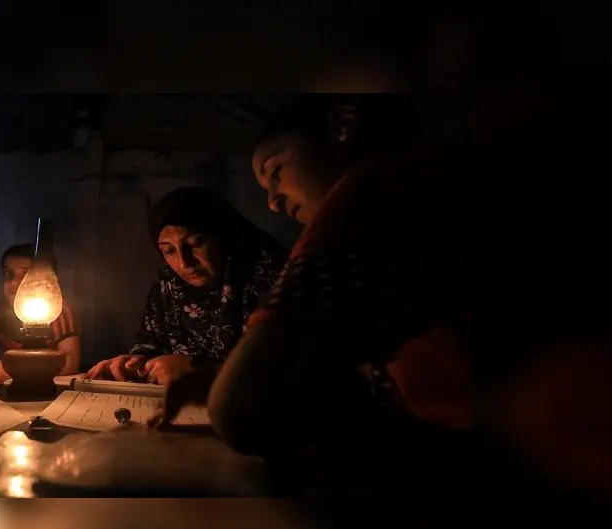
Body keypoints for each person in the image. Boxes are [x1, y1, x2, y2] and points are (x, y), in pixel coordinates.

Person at [155, 97, 472, 491]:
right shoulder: (436, 186)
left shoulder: (366, 198)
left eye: (276, 173)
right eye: (167, 250)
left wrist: (229, 379)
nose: (273, 202)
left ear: (344, 123)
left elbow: (244, 409)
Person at [87, 187, 288, 386]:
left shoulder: (272, 275)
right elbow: (152, 344)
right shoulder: (168, 285)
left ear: (223, 235)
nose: (185, 263)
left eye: (195, 244)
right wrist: (134, 364)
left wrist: (200, 370)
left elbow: (285, 370)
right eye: (169, 251)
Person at [0, 243, 81, 382]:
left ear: (50, 281)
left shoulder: (57, 313)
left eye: (26, 275)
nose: (13, 284)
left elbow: (70, 365)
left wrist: (11, 370)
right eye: (7, 274)